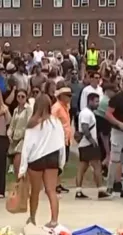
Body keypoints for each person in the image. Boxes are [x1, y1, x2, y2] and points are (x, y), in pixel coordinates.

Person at [19, 94, 66, 227]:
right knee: (51, 190)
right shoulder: (56, 122)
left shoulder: (32, 123)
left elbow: (27, 147)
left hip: (36, 159)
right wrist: (61, 162)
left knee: (35, 191)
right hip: (52, 157)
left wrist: (23, 168)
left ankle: (32, 217)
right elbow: (61, 144)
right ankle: (54, 220)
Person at [75, 92, 108, 199]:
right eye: (96, 101)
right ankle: (101, 190)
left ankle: (78, 190)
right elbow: (84, 127)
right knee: (97, 166)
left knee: (82, 167)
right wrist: (91, 140)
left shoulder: (87, 113)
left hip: (84, 144)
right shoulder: (86, 113)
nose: (98, 104)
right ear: (90, 101)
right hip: (89, 144)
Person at [51, 86, 73, 193]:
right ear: (61, 96)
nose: (70, 97)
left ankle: (58, 183)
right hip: (58, 139)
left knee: (63, 162)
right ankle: (54, 184)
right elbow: (53, 122)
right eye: (67, 95)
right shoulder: (56, 108)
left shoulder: (66, 107)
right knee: (58, 162)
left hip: (66, 138)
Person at [7, 88, 32, 177]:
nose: (20, 98)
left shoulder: (28, 109)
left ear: (26, 97)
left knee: (18, 161)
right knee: (16, 166)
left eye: (23, 96)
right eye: (18, 96)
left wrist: (25, 136)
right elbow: (12, 125)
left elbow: (29, 124)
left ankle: (22, 185)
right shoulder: (15, 110)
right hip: (15, 139)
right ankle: (19, 186)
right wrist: (9, 134)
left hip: (24, 138)